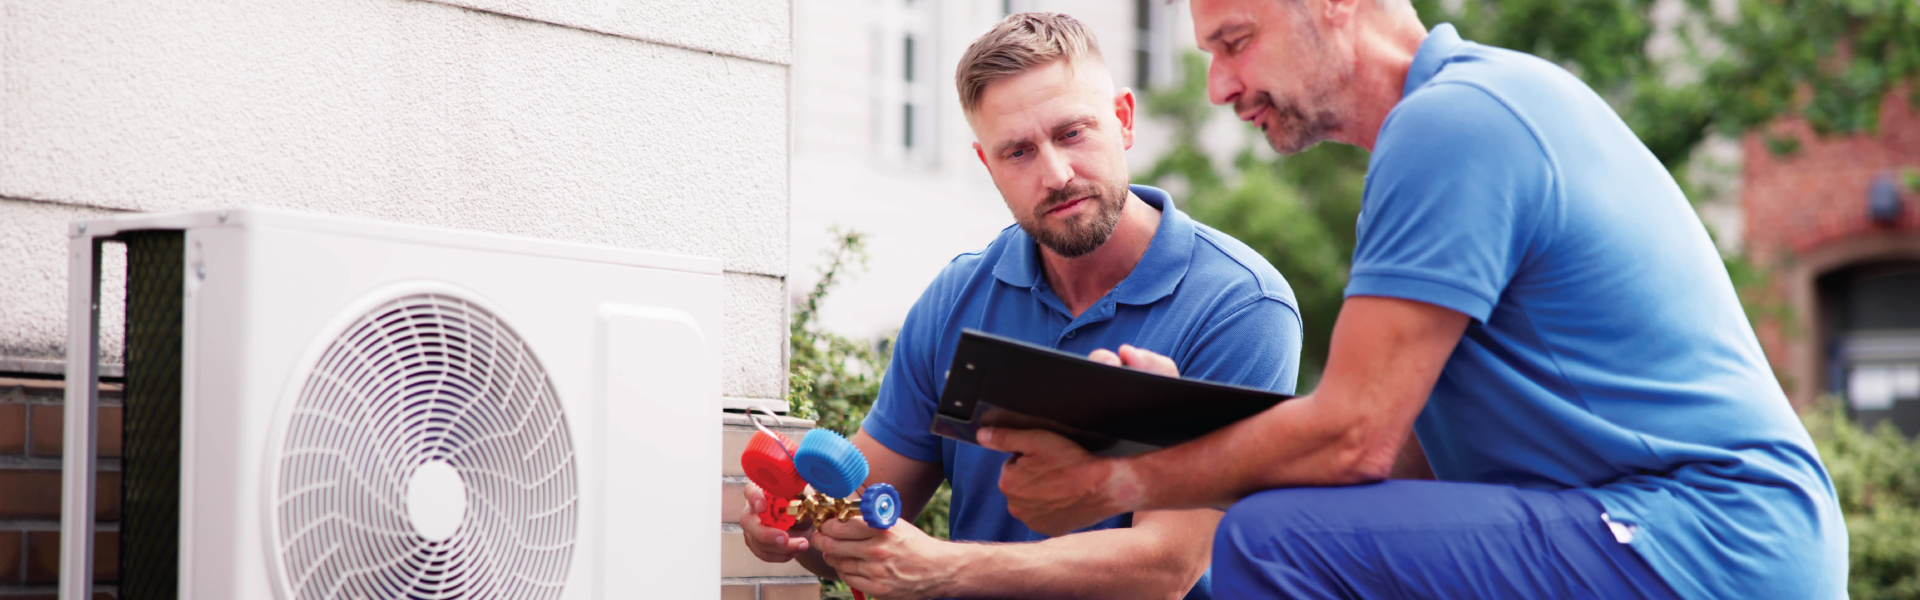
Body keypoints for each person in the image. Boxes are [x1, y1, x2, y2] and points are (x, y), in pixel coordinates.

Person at [977, 0, 1849, 598]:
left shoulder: (1454, 124)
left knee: (1273, 545)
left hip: (1704, 539)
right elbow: (1403, 463)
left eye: (1234, 40)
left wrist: (1118, 479)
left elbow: (1354, 440)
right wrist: (1179, 426)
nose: (1220, 86)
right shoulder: (1468, 112)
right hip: (1694, 539)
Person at [739, 12, 1304, 600]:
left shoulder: (1240, 306)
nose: (1055, 175)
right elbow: (853, 523)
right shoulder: (957, 298)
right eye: (1018, 152)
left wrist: (943, 569)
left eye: (1071, 133)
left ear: (1124, 120)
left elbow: (1165, 566)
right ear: (987, 165)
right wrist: (795, 527)